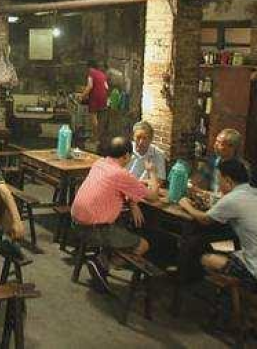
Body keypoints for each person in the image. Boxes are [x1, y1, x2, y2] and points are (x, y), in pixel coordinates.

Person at [71, 136, 161, 294]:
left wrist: (132, 202)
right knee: (143, 245)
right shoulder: (121, 174)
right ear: (126, 156)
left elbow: (114, 187)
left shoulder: (99, 164)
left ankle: (101, 261)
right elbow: (153, 196)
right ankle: (103, 265)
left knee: (119, 226)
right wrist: (152, 172)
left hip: (76, 223)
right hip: (94, 230)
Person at [179, 159, 257, 290]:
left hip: (253, 271)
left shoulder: (233, 198)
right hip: (242, 246)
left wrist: (186, 204)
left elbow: (205, 219)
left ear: (228, 181)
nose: (219, 185)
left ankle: (188, 283)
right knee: (205, 242)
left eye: (219, 180)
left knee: (198, 249)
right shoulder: (252, 192)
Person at [79, 60, 108, 150]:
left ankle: (94, 139)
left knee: (93, 118)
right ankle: (98, 138)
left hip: (95, 97)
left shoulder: (91, 73)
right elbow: (106, 87)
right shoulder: (102, 74)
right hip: (103, 97)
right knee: (100, 118)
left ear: (89, 67)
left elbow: (90, 86)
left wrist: (82, 96)